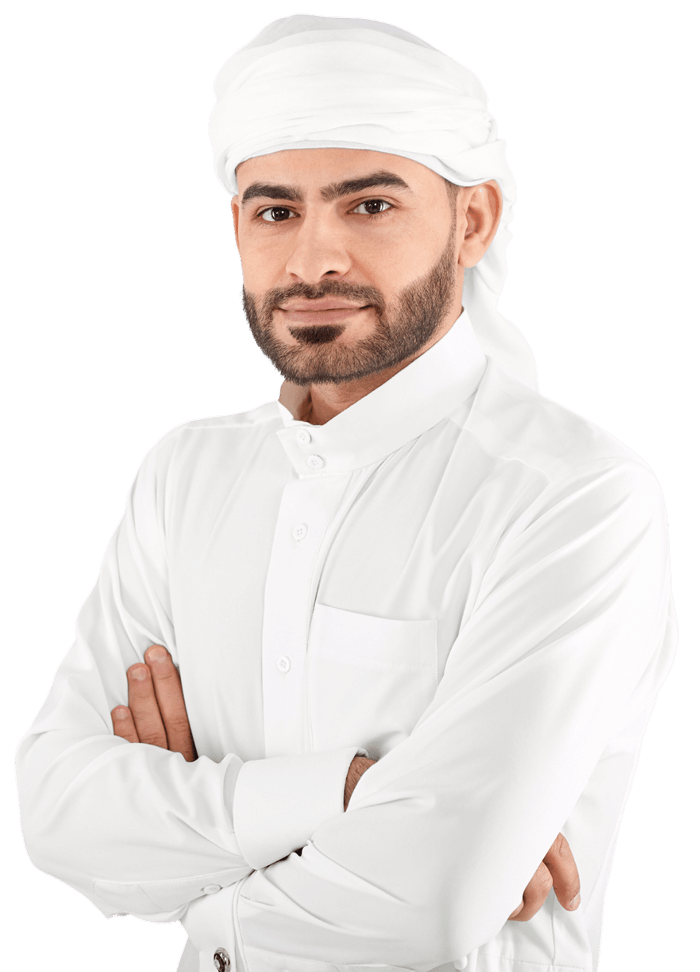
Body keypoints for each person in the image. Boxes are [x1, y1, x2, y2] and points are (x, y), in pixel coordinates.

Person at [14, 14, 677, 972]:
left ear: (474, 219)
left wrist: (201, 881)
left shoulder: (575, 498)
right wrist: (359, 794)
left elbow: (428, 908)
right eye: (276, 211)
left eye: (369, 207)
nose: (314, 260)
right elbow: (61, 818)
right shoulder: (185, 473)